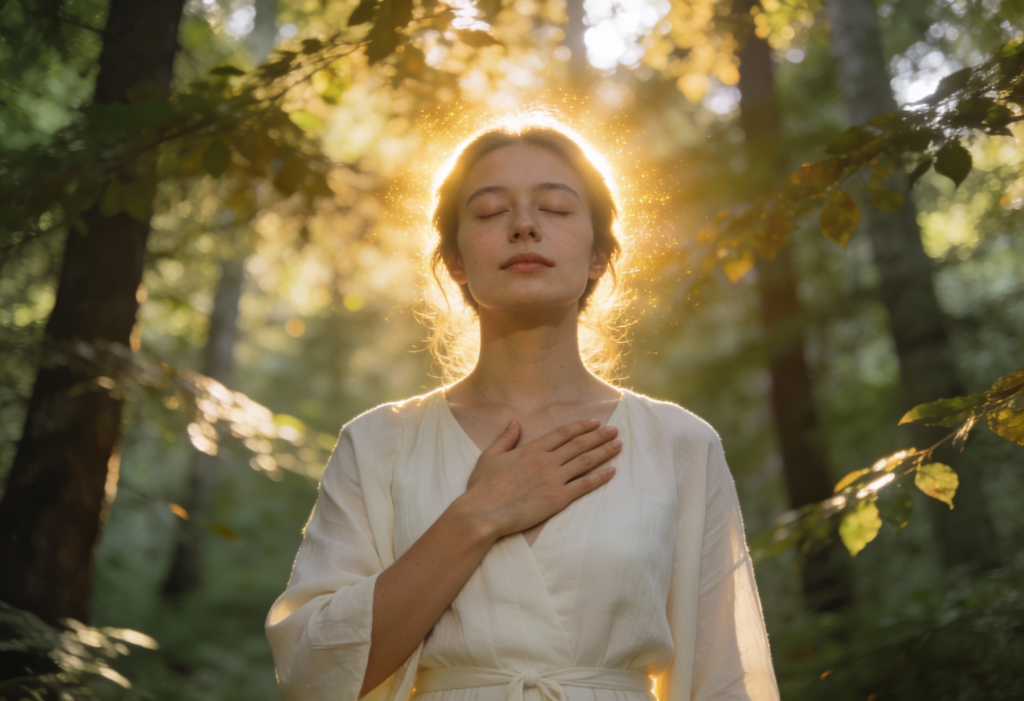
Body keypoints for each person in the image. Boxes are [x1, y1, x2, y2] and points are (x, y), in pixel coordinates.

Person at [265, 119, 780, 701]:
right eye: (490, 212)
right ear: (455, 262)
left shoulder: (680, 442)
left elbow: (722, 678)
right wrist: (476, 516)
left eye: (555, 208)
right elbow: (313, 671)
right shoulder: (377, 443)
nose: (524, 226)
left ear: (598, 255)